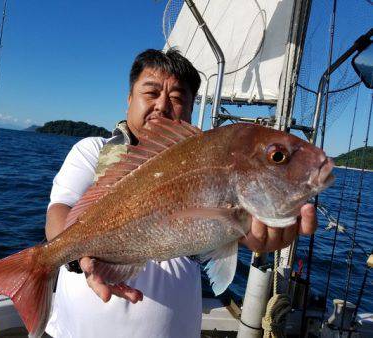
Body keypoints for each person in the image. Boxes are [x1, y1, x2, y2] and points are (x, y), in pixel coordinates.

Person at [44, 49, 317, 338]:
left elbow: (229, 234)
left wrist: (257, 234)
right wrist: (76, 255)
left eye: (177, 98)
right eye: (150, 93)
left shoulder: (214, 164)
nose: (162, 106)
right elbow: (60, 211)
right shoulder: (92, 151)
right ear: (128, 100)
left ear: (189, 109)